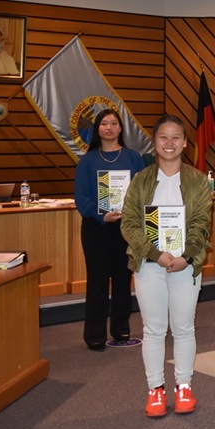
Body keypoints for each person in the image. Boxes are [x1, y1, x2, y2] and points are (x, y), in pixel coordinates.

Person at [120, 115, 212, 418]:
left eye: (176, 138)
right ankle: (155, 390)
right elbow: (130, 224)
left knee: (184, 328)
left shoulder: (198, 181)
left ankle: (183, 386)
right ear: (154, 142)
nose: (169, 144)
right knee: (154, 329)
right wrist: (155, 253)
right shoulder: (141, 180)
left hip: (186, 265)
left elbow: (201, 224)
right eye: (163, 137)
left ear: (185, 143)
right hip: (149, 264)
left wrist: (185, 256)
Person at [73, 109, 145, 351]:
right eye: (104, 123)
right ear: (97, 129)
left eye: (114, 123)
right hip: (97, 228)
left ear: (121, 129)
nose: (109, 127)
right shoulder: (87, 160)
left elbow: (141, 192)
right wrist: (102, 215)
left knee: (124, 279)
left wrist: (130, 212)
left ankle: (120, 327)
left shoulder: (134, 158)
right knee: (98, 282)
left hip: (126, 228)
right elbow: (81, 199)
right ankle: (94, 333)